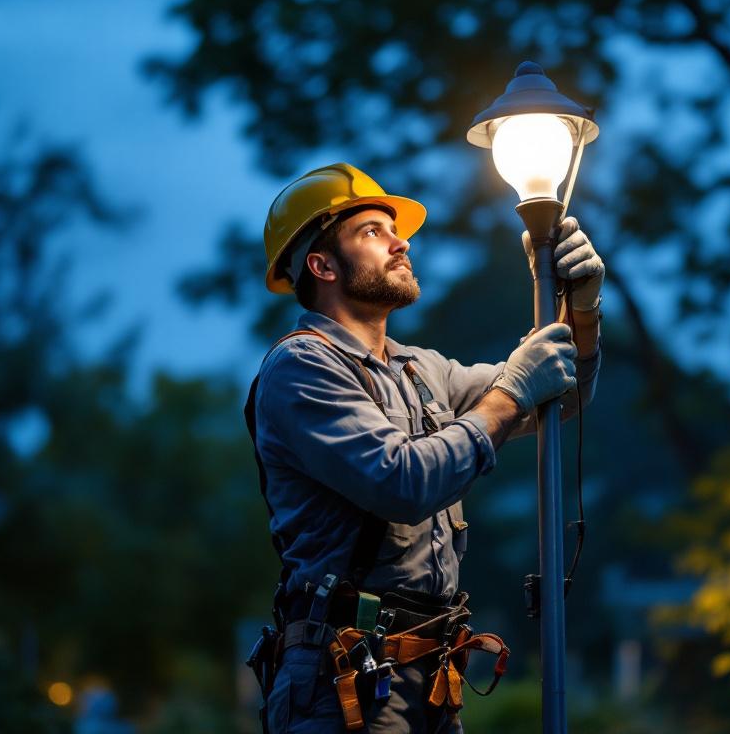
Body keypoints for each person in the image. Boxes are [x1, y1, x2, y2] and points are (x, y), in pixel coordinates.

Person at [248, 163, 603, 733]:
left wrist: (579, 311)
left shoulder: (422, 370)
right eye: (372, 231)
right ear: (322, 265)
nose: (401, 241)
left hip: (431, 679)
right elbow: (403, 483)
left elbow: (560, 401)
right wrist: (512, 390)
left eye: (396, 230)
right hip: (344, 688)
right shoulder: (301, 367)